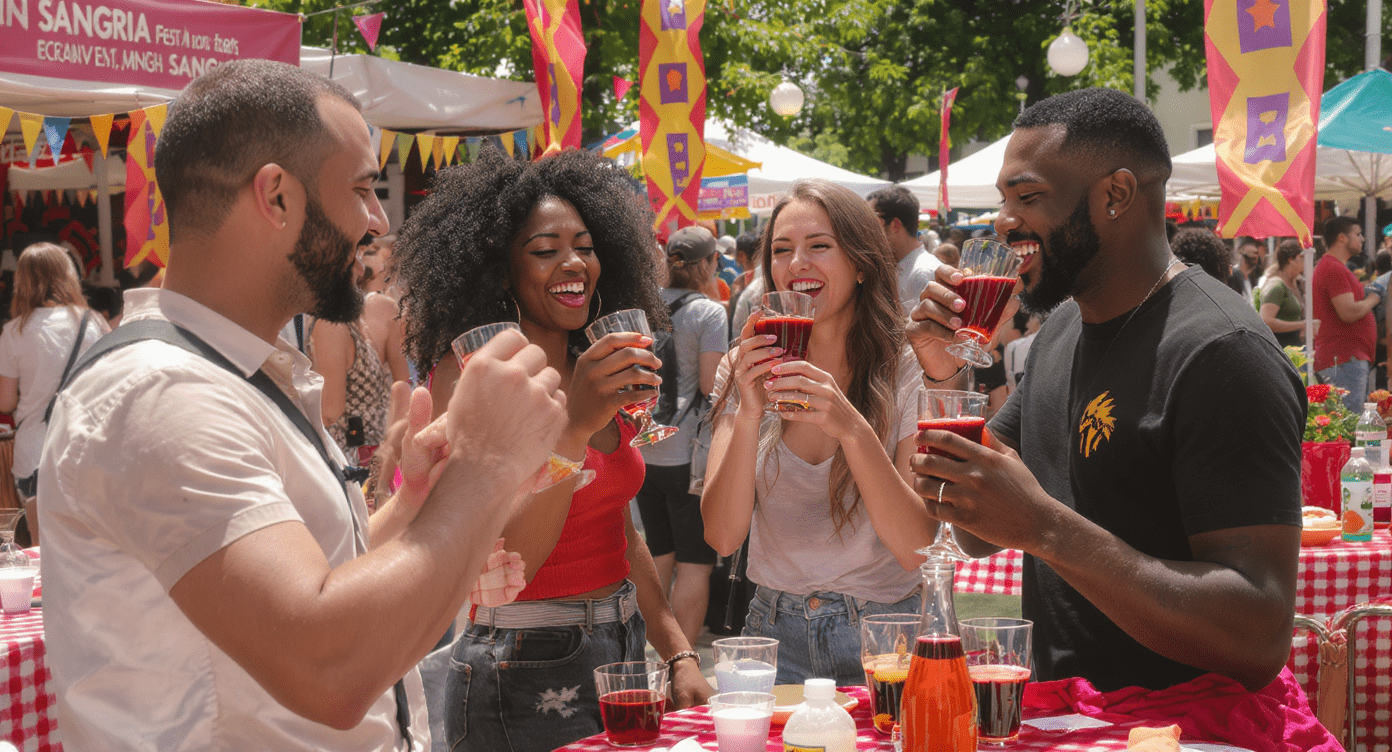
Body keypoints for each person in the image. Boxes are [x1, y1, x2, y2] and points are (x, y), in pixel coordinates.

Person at [37, 60, 568, 751]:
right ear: (277, 196)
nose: (378, 221)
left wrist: (417, 509)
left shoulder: (229, 367)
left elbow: (311, 576)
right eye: (362, 188)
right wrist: (484, 466)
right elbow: (327, 668)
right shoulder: (161, 392)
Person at [907, 89, 1335, 749]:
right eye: (1003, 199)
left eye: (1028, 197)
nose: (1003, 221)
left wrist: (1046, 528)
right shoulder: (1063, 330)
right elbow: (976, 530)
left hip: (1196, 734)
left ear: (1116, 194)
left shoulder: (1224, 352)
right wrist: (945, 375)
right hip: (1068, 724)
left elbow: (1258, 635)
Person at [394, 147, 710, 752]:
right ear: (500, 271)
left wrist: (676, 652)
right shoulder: (472, 377)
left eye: (585, 247)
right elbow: (506, 567)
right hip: (521, 663)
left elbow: (618, 528)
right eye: (545, 250)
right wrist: (574, 429)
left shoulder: (592, 366)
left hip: (620, 651)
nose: (573, 263)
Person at [702, 178, 935, 686]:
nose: (796, 264)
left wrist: (852, 428)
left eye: (819, 246)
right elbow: (721, 535)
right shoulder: (745, 365)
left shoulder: (906, 365)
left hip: (885, 634)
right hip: (771, 631)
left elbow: (915, 548)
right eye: (781, 250)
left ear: (861, 263)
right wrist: (748, 412)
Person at [635, 226, 728, 647]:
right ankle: (681, 660)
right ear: (708, 263)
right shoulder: (709, 313)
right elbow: (711, 384)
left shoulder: (645, 306)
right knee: (695, 563)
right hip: (688, 456)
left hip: (644, 448)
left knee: (658, 553)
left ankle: (652, 652)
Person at [0, 242, 108, 542]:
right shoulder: (93, 323)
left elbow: (5, 402)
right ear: (67, 274)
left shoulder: (14, 331)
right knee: (91, 545)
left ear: (22, 281)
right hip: (87, 446)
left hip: (35, 452)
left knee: (42, 547)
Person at [310, 236, 394, 460]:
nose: (361, 267)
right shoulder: (333, 323)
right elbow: (329, 412)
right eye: (354, 257)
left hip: (362, 455)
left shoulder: (343, 320)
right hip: (352, 458)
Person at [1312, 215, 1378, 411]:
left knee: (1346, 420)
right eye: (1358, 234)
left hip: (1344, 358)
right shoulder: (1333, 268)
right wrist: (1374, 298)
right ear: (1342, 238)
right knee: (1348, 421)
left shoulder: (1333, 266)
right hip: (1343, 358)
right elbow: (1348, 312)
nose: (1362, 239)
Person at [866, 185, 942, 314]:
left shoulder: (923, 274)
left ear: (895, 225)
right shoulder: (901, 267)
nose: (866, 229)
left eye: (872, 220)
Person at [1259, 240, 1309, 349]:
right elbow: (1266, 321)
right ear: (1291, 259)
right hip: (1280, 350)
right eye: (1301, 257)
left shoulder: (1295, 284)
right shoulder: (1277, 286)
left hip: (1294, 349)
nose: (1305, 261)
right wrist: (1302, 324)